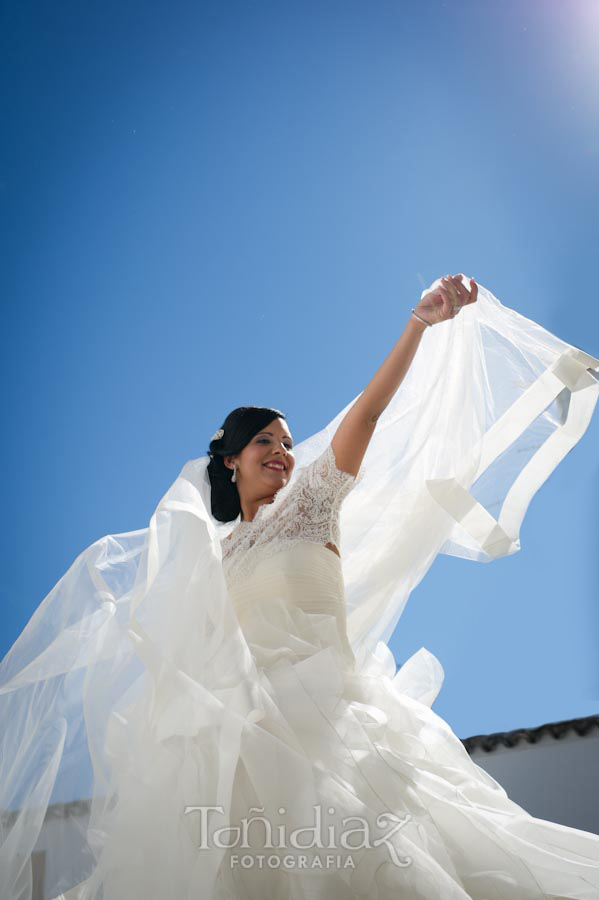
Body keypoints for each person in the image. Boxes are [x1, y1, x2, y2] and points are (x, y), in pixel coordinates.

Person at [1, 275, 599, 899]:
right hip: (241, 749)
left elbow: (367, 412)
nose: (284, 452)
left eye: (288, 442)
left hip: (329, 729)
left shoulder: (314, 502)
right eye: (266, 441)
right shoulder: (217, 554)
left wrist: (419, 324)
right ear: (230, 458)